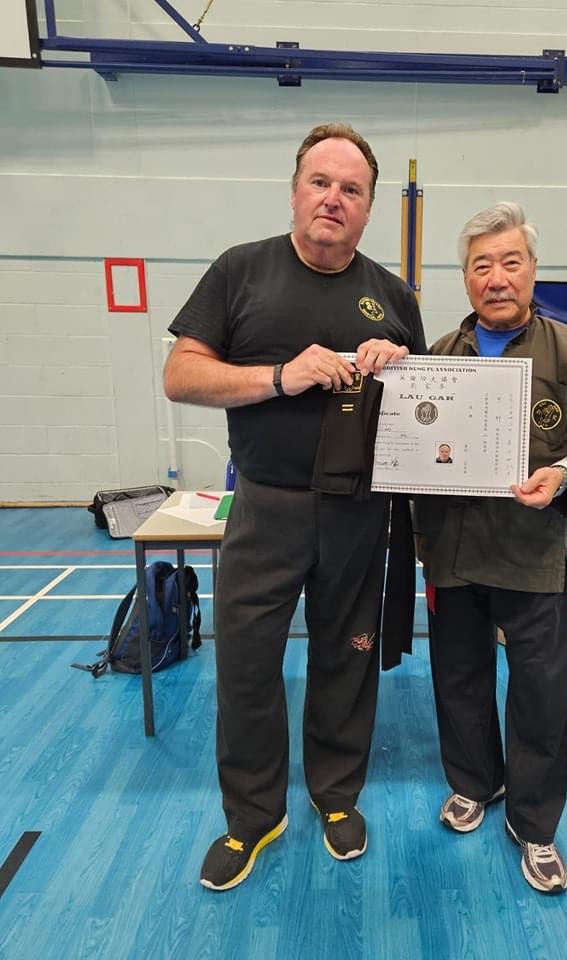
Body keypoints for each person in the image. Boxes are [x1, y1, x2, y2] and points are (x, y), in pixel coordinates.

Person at [164, 123, 427, 892]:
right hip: (266, 509)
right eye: (321, 182)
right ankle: (253, 817)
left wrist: (402, 369)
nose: (333, 199)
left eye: (351, 190)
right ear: (295, 189)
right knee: (247, 665)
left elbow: (425, 415)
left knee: (346, 660)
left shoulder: (394, 295)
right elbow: (181, 375)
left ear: (369, 209)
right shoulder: (239, 272)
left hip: (357, 514)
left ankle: (336, 796)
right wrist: (280, 376)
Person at [415, 201, 567, 894]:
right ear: (467, 279)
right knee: (459, 680)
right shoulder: (439, 360)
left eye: (512, 262)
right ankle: (475, 785)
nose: (498, 277)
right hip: (452, 552)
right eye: (483, 265)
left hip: (532, 553)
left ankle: (535, 825)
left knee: (541, 692)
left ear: (533, 271)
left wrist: (564, 473)